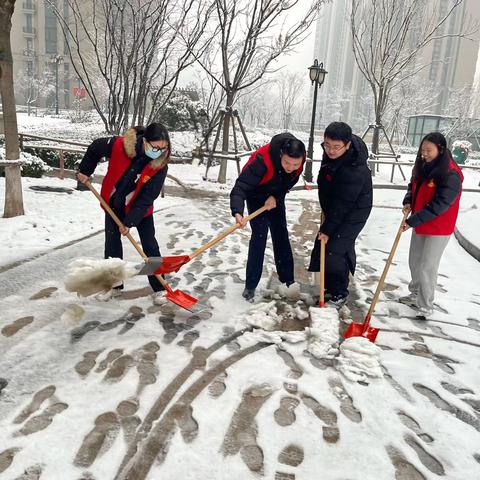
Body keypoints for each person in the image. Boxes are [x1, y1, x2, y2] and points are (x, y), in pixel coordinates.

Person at [77, 123, 170, 304]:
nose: (159, 151)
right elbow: (95, 147)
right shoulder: (120, 145)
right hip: (113, 204)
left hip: (140, 211)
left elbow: (147, 197)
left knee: (150, 246)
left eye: (163, 148)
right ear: (145, 141)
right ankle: (115, 286)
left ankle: (159, 287)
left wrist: (130, 222)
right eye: (155, 147)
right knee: (112, 245)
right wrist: (85, 170)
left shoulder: (160, 166)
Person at [230, 132, 306, 301]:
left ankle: (288, 281)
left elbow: (288, 182)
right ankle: (250, 285)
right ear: (281, 154)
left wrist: (276, 197)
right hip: (255, 195)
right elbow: (240, 187)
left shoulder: (298, 164)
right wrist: (238, 211)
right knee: (259, 236)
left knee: (281, 235)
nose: (290, 167)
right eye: (287, 162)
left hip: (274, 196)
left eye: (295, 164)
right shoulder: (261, 161)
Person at [308, 122, 372, 308]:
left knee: (333, 250)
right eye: (327, 145)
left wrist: (327, 228)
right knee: (332, 247)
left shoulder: (355, 168)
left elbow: (344, 203)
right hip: (336, 207)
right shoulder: (333, 154)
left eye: (337, 147)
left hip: (354, 211)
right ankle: (330, 288)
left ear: (348, 145)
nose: (331, 151)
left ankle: (339, 293)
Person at [400, 132, 463, 319]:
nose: (424, 154)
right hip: (420, 220)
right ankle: (415, 293)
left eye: (429, 150)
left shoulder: (451, 173)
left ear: (441, 149)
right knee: (415, 260)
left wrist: (413, 221)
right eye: (422, 150)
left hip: (438, 226)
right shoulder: (423, 165)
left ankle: (425, 305)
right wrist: (408, 200)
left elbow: (441, 204)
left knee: (428, 265)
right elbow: (414, 185)